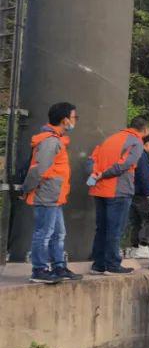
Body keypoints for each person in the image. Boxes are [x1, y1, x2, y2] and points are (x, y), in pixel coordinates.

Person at [21, 102, 78, 284]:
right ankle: (39, 269)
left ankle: (58, 266)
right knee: (44, 233)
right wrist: (27, 189)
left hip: (55, 196)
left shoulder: (57, 140)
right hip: (46, 195)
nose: (75, 120)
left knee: (58, 234)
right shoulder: (50, 141)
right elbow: (38, 169)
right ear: (64, 120)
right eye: (74, 117)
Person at [88, 117, 149, 275]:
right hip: (119, 191)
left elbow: (92, 159)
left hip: (99, 190)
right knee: (115, 229)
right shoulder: (136, 143)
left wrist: (96, 175)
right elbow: (124, 164)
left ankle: (98, 264)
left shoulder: (111, 139)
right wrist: (103, 174)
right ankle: (113, 264)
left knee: (101, 228)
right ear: (146, 130)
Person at [127, 134, 149, 258]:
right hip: (143, 194)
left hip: (131, 193)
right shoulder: (143, 156)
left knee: (136, 222)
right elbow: (144, 177)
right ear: (148, 144)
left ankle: (134, 248)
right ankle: (144, 246)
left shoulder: (132, 153)